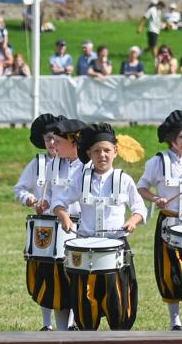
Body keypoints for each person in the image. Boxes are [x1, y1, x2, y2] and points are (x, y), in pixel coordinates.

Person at [51, 124, 147, 330]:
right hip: (87, 248)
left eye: (106, 150)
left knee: (119, 301)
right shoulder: (81, 179)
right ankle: (88, 335)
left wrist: (133, 220)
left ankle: (118, 336)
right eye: (96, 151)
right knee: (85, 301)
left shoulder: (124, 180)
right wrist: (64, 216)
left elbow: (140, 208)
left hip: (117, 246)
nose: (102, 155)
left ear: (115, 151)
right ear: (89, 154)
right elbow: (58, 201)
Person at [14, 114, 82, 332]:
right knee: (47, 273)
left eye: (55, 138)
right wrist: (32, 200)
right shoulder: (40, 163)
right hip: (48, 226)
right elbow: (20, 189)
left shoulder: (83, 163)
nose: (52, 144)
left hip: (78, 224)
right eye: (48, 140)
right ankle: (47, 323)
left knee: (71, 273)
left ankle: (71, 322)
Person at [138, 111, 182, 330]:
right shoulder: (158, 161)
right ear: (171, 138)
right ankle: (174, 320)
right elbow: (142, 186)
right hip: (169, 222)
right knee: (170, 271)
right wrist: (156, 198)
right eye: (181, 137)